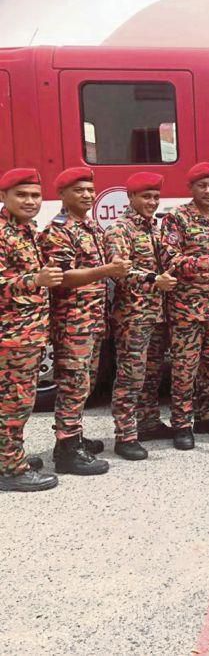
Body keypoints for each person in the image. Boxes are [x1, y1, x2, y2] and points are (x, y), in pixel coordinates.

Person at [39, 167, 128, 475]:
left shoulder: (90, 227)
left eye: (91, 190)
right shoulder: (59, 230)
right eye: (80, 190)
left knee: (85, 383)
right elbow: (61, 278)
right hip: (72, 322)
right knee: (73, 384)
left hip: (91, 320)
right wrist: (106, 271)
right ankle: (66, 450)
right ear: (62, 194)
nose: (88, 195)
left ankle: (73, 436)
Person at [104, 172, 177, 460]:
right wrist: (153, 280)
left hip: (157, 314)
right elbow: (119, 274)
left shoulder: (156, 228)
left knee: (152, 372)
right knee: (130, 376)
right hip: (133, 316)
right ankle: (125, 436)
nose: (152, 202)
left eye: (156, 197)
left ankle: (148, 422)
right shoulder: (119, 230)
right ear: (131, 198)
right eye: (146, 196)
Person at [160, 162, 209, 450]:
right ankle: (181, 424)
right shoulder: (176, 218)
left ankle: (206, 415)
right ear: (190, 188)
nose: (208, 190)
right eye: (202, 185)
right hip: (187, 309)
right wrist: (203, 263)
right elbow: (168, 258)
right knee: (184, 369)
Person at [0, 168, 63, 492]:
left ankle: (10, 455)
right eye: (21, 195)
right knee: (14, 403)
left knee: (16, 401)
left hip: (28, 333)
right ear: (3, 197)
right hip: (11, 336)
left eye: (35, 195)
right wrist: (34, 280)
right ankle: (11, 470)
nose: (29, 201)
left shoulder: (27, 231)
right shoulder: (2, 233)